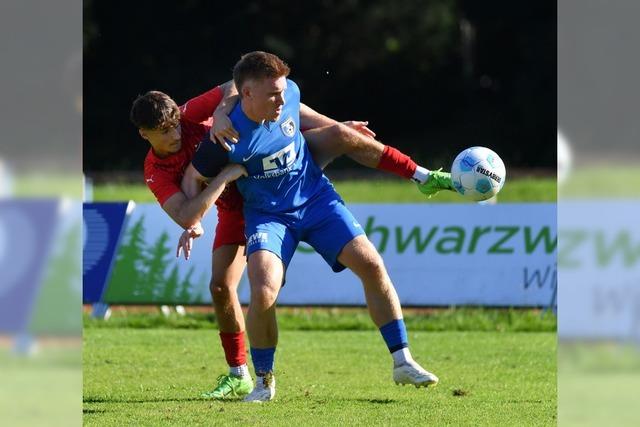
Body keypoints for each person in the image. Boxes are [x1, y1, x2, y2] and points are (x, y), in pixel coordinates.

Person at [187, 51, 441, 403]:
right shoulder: (226, 135)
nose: (281, 98)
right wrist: (193, 222)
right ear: (246, 94)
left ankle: (403, 361)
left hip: (316, 200)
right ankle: (263, 381)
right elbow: (192, 177)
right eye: (271, 94)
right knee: (263, 292)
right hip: (268, 216)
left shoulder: (288, 93)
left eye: (282, 90)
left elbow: (304, 114)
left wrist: (342, 126)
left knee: (371, 264)